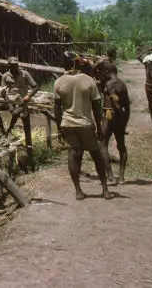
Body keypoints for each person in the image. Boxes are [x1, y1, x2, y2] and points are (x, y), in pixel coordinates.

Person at [54, 52, 112, 200]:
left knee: (74, 155)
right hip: (85, 124)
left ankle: (78, 191)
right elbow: (96, 107)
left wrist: (59, 128)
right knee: (97, 156)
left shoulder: (59, 82)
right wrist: (99, 128)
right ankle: (105, 190)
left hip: (67, 124)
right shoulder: (88, 81)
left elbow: (57, 109)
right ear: (76, 63)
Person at [0, 57, 37, 163]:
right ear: (9, 66)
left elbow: (35, 87)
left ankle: (9, 130)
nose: (15, 66)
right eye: (12, 65)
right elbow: (3, 93)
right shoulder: (5, 76)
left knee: (21, 118)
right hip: (11, 101)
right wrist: (10, 105)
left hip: (23, 102)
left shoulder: (25, 74)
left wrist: (29, 96)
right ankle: (4, 132)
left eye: (16, 64)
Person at [101, 64, 130, 186]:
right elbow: (127, 106)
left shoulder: (109, 84)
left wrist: (115, 106)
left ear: (108, 71)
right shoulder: (123, 84)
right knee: (121, 145)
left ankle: (111, 176)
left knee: (102, 145)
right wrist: (125, 122)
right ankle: (122, 177)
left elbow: (113, 97)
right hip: (120, 117)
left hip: (109, 115)